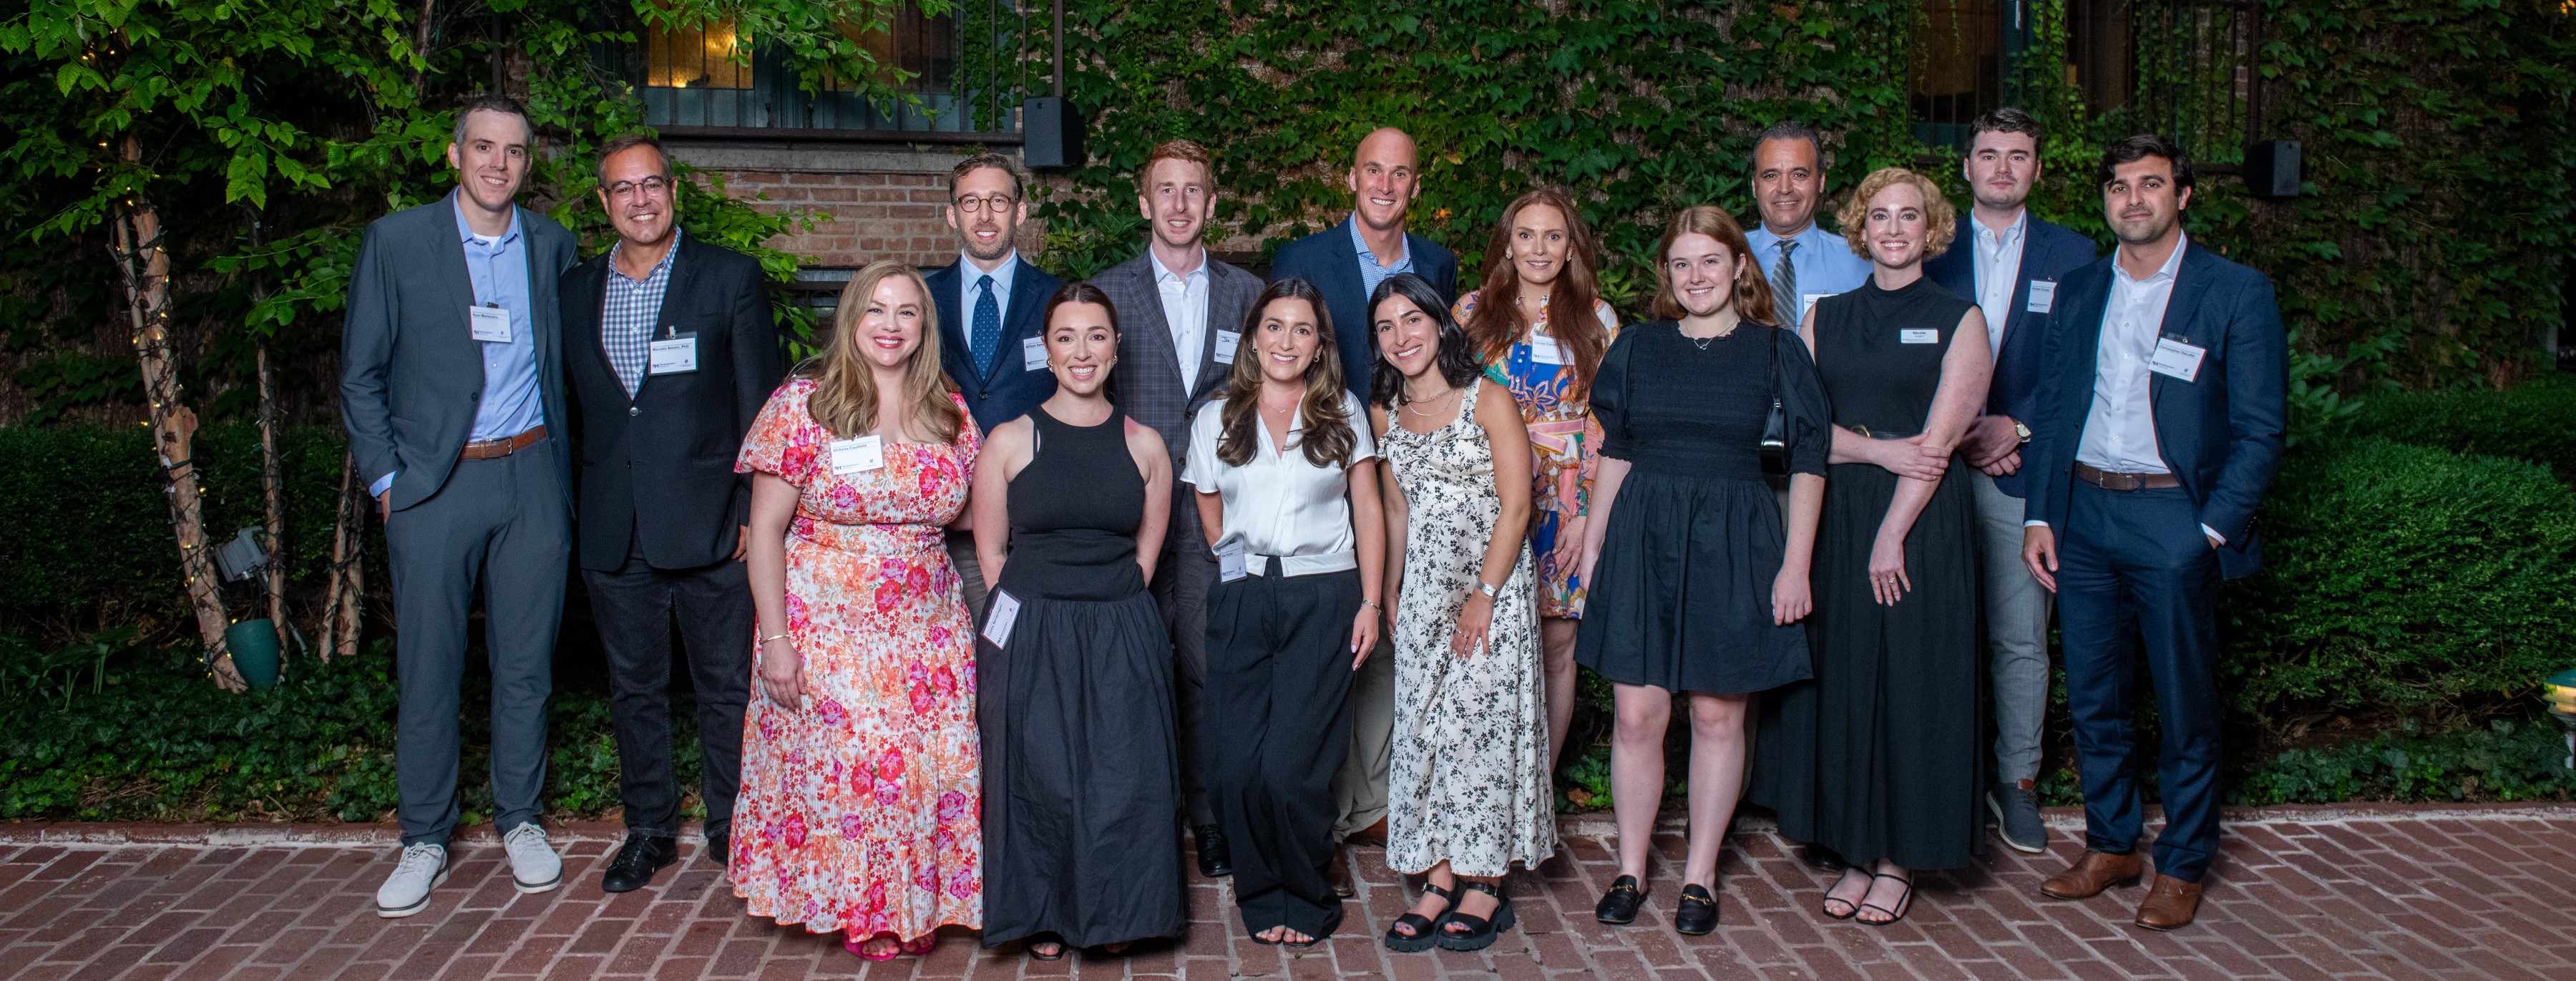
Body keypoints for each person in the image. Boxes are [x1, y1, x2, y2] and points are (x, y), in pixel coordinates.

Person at [2021, 135, 2285, 932]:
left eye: (2150, 184)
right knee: (2096, 692)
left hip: (2175, 515)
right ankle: (2111, 845)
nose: (2132, 199)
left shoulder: (2235, 291)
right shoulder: (2076, 290)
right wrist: (2041, 512)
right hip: (2087, 511)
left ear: (2183, 195)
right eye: (2118, 186)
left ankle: (2184, 861)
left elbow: (2261, 428)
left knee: (2183, 698)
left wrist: (2209, 529)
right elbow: (2053, 409)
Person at [341, 94, 578, 918]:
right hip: (435, 488)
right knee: (430, 668)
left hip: (532, 479)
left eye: (513, 151)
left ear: (526, 163)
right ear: (454, 155)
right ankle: (425, 836)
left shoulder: (552, 246)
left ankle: (520, 819)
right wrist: (387, 482)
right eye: (483, 148)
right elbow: (360, 374)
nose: (497, 164)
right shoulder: (398, 242)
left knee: (525, 668)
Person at [1749, 167, 1992, 927]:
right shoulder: (1826, 315)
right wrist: (1875, 457)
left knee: (1913, 680)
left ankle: (1899, 859)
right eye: (1880, 216)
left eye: (1909, 217)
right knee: (1847, 677)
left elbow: (1941, 442)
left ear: (1932, 229)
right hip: (1841, 506)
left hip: (1920, 521)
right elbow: (1806, 431)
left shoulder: (1961, 317)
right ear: (1860, 227)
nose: (1893, 229)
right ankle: (1856, 848)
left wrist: (1893, 532)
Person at [1579, 207, 1830, 935]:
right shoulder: (1637, 347)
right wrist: (1595, 548)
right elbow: (1616, 452)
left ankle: (1700, 876)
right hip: (1644, 535)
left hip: (1736, 539)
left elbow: (1809, 463)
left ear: (1740, 267)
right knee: (1637, 715)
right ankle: (1630, 868)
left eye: (1711, 261)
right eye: (1682, 264)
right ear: (1667, 275)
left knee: (1720, 715)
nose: (1696, 277)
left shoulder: (1778, 350)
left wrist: (1796, 565)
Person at [732, 260, 983, 962]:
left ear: (924, 327)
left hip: (928, 631)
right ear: (851, 319)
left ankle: (920, 901)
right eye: (876, 310)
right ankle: (862, 908)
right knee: (858, 779)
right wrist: (776, 641)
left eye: (907, 313)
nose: (891, 326)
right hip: (828, 634)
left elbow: (968, 515)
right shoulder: (805, 406)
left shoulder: (950, 411)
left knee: (924, 775)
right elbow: (765, 535)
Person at [559, 135, 782, 893]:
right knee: (634, 688)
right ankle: (648, 829)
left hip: (716, 526)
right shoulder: (575, 289)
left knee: (725, 687)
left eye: (652, 185)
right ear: (604, 203)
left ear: (673, 191)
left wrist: (758, 511)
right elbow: (576, 415)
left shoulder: (729, 278)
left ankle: (731, 824)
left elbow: (765, 409)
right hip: (615, 531)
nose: (641, 201)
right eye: (624, 190)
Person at [1267, 125, 1461, 894]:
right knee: (1328, 641)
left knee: (1388, 633)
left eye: (1401, 174)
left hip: (1406, 469)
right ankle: (1323, 807)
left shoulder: (1437, 266)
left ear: (1416, 187)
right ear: (1352, 178)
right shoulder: (1302, 259)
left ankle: (1369, 802)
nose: (1385, 185)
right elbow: (1279, 346)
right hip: (1324, 464)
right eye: (1373, 170)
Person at [970, 283, 1185, 960]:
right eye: (1067, 336)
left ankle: (1118, 909)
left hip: (1120, 624)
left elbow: (1149, 549)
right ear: (1048, 349)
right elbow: (991, 550)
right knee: (1040, 776)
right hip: (1033, 627)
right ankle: (1046, 911)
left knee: (1125, 774)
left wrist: (1109, 610)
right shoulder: (1009, 440)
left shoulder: (1146, 444)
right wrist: (1041, 617)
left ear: (1116, 347)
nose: (1082, 350)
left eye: (1096, 335)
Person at [1186, 277, 1387, 947]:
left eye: (1302, 329)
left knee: (1293, 766)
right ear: (1252, 336)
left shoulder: (1343, 411)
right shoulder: (1216, 417)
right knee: (1237, 766)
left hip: (1324, 594)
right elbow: (1208, 503)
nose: (1286, 341)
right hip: (1244, 595)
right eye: (1275, 326)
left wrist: (1370, 601)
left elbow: (1367, 508)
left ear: (1320, 344)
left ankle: (1304, 892)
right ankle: (1260, 888)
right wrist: (1233, 561)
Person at [1919, 108, 2099, 855]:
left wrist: (2014, 427)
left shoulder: (2078, 255)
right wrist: (1954, 434)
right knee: (1928, 626)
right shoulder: (1927, 243)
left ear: (2037, 169)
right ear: (1966, 166)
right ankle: (1933, 778)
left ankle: (2016, 782)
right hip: (1929, 465)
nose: (2001, 168)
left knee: (2022, 636)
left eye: (2017, 155)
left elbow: (2080, 373)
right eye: (1988, 154)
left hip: (2018, 468)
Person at [1365, 273, 1550, 953]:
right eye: (1385, 327)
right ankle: (1438, 875)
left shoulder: (1488, 400)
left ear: (1441, 324)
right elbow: (1394, 507)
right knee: (1425, 727)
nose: (1401, 336)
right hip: (1423, 593)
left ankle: (1483, 879)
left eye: (1412, 319)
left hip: (1488, 589)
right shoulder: (1386, 414)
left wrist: (1485, 594)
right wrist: (1389, 589)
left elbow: (1518, 505)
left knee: (1480, 727)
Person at [1096, 138, 1267, 880]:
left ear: (1212, 203)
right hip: (1127, 515)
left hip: (1213, 514)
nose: (1178, 204)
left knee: (1206, 668)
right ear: (1143, 202)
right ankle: (1139, 818)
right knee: (1132, 671)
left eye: (1192, 190)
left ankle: (1212, 816)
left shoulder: (1247, 294)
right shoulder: (1105, 294)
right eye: (1164, 190)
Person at [1452, 186, 1618, 777]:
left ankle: (1538, 793)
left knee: (1555, 647)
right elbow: (1449, 404)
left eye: (1553, 235)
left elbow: (1610, 422)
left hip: (1566, 503)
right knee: (1484, 640)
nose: (1539, 248)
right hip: (1490, 497)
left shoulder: (1597, 318)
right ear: (1507, 244)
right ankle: (1484, 784)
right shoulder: (1471, 312)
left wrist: (1586, 517)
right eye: (1526, 235)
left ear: (1571, 245)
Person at [927, 152, 1065, 620]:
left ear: (1020, 211)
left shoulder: (1057, 299)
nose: (985, 215)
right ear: (952, 214)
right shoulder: (920, 300)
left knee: (1028, 660)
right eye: (971, 201)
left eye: (998, 201)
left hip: (1036, 524)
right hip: (943, 530)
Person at [1743, 122, 1875, 333]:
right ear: (1754, 186)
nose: (1785, 188)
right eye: (1771, 176)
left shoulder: (1861, 261)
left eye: (1799, 175)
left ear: (1821, 182)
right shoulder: (1724, 257)